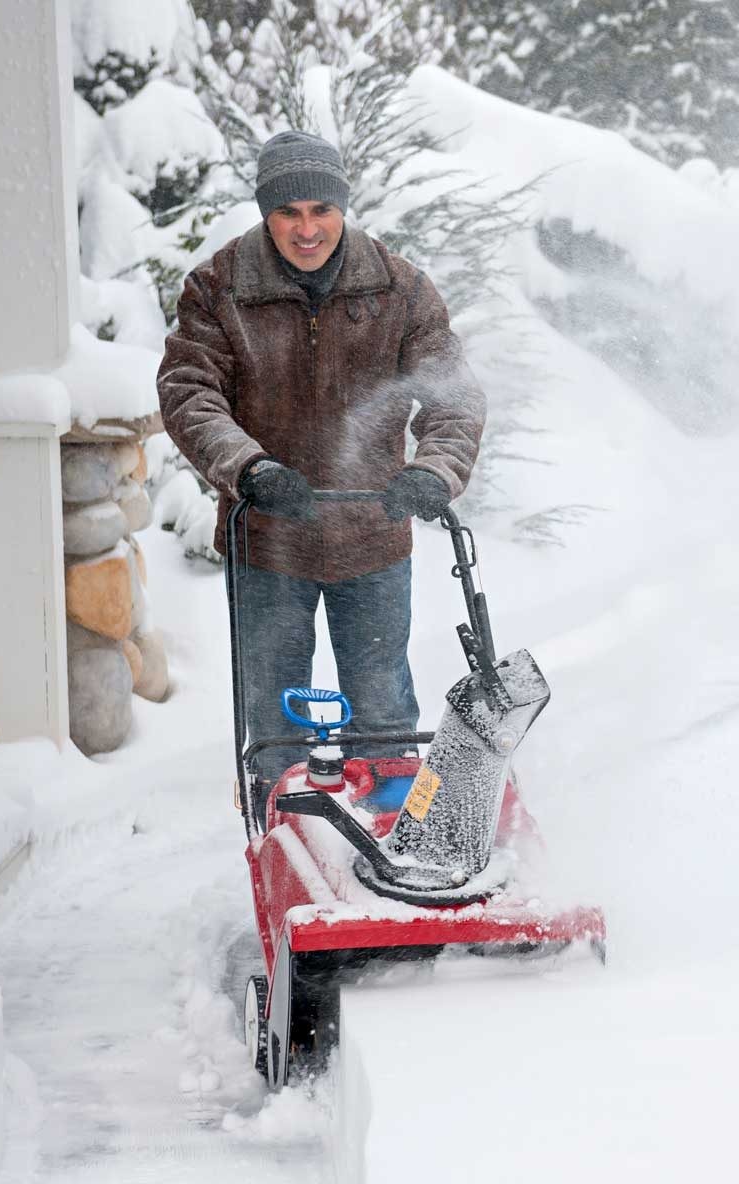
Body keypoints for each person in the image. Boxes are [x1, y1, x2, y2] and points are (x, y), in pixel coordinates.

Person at [157, 131, 486, 783]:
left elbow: (455, 398)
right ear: (265, 212)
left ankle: (393, 823)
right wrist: (249, 467)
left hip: (372, 537)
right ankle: (283, 833)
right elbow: (189, 392)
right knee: (276, 717)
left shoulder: (400, 289)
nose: (306, 229)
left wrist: (433, 470)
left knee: (384, 704)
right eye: (288, 212)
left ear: (343, 206)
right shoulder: (220, 289)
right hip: (270, 539)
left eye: (321, 210)